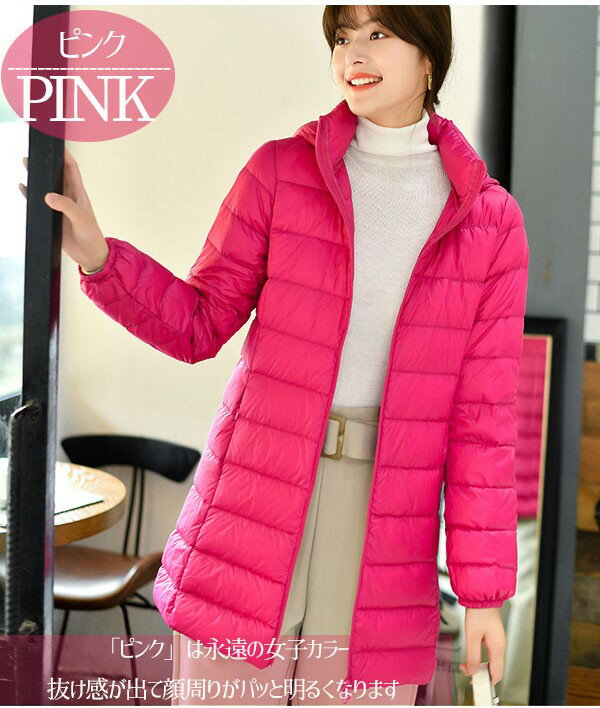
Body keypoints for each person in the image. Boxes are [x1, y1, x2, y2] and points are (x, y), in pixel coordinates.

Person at [21, 5, 529, 705]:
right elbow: (199, 324)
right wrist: (100, 257)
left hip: (385, 528)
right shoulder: (281, 173)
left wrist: (483, 595)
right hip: (255, 497)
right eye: (342, 36)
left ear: (429, 55)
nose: (353, 53)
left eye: (378, 34)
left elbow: (483, 424)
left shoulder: (490, 223)